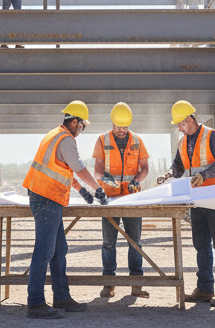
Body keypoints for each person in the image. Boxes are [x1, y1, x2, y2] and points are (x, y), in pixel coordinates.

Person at [22, 101, 109, 319]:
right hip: (46, 199)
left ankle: (61, 297)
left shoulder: (54, 135)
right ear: (74, 121)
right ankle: (35, 303)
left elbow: (62, 170)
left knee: (59, 250)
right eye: (82, 125)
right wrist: (97, 189)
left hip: (48, 197)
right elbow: (78, 167)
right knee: (44, 251)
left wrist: (81, 190)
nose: (82, 129)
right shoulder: (66, 139)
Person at [158, 100, 215, 307]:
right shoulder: (182, 142)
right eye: (178, 125)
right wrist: (168, 174)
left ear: (191, 119)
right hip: (197, 198)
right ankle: (205, 288)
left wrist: (205, 174)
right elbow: (178, 166)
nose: (179, 128)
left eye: (181, 124)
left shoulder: (210, 135)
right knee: (201, 245)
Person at [93, 102, 150, 299]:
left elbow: (145, 168)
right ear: (113, 123)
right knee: (109, 242)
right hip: (109, 200)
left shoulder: (137, 140)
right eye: (118, 127)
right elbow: (98, 170)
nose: (121, 131)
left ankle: (136, 284)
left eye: (124, 128)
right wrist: (109, 179)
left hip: (132, 199)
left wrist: (137, 181)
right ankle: (109, 283)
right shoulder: (102, 140)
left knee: (135, 242)